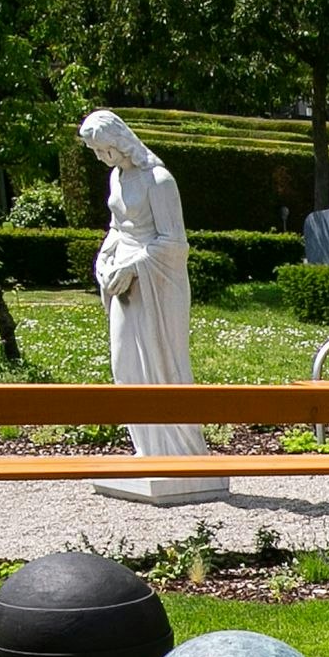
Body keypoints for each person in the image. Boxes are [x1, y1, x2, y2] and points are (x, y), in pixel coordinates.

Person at [81, 110, 220, 503]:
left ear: (120, 141)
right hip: (123, 281)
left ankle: (176, 449)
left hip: (157, 284)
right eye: (96, 151)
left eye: (103, 149)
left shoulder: (159, 180)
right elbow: (115, 228)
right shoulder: (117, 177)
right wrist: (105, 260)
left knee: (160, 361)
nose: (101, 157)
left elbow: (175, 243)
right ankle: (146, 447)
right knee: (125, 362)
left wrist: (134, 266)